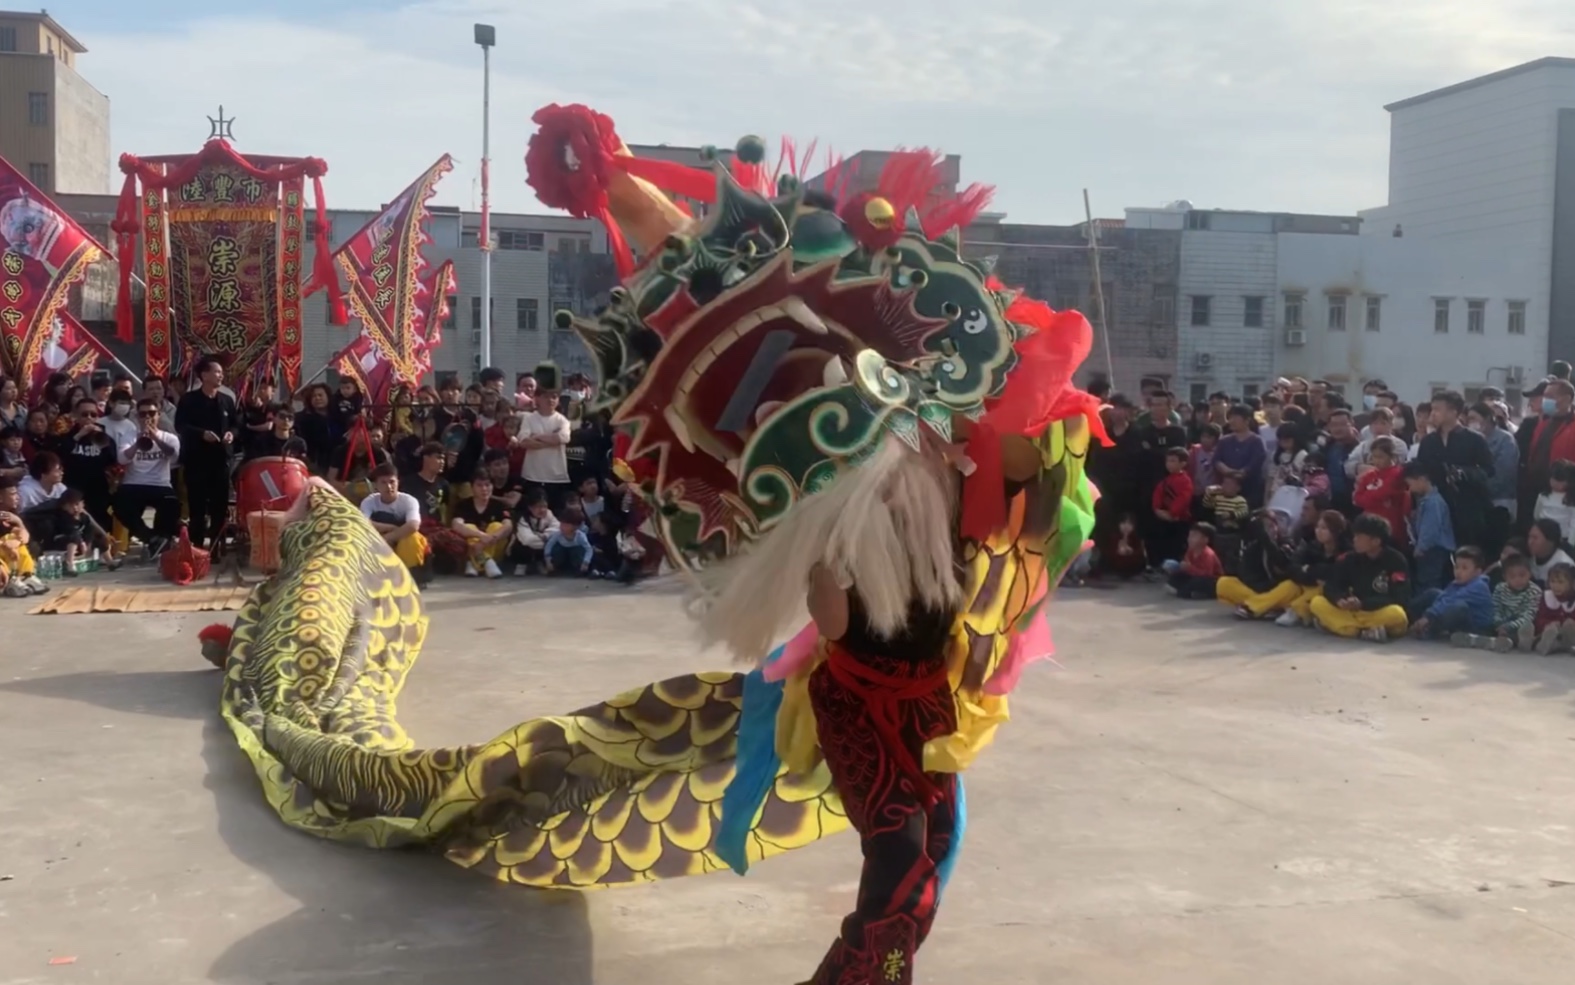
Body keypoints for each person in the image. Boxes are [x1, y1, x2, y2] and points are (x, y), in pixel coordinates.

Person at [1308, 514, 1412, 642]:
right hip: (1352, 612)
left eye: (1359, 537)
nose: (1354, 540)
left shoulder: (1396, 560)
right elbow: (1332, 585)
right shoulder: (1349, 558)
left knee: (1397, 615)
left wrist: (1363, 603)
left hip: (1376, 612)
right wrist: (1339, 599)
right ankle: (1363, 631)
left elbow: (1400, 597)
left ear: (1376, 541)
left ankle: (1343, 627)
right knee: (1317, 602)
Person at [1414, 390, 1494, 552]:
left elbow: (1488, 471)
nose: (1433, 414)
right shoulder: (1428, 442)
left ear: (1453, 412)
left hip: (1467, 509)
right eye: (1432, 409)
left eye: (1438, 409)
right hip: (1436, 510)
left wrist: (1464, 473)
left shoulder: (1474, 439)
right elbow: (1421, 470)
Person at [175, 356, 239, 550]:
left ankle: (217, 546)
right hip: (197, 461)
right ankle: (196, 546)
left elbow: (236, 425)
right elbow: (181, 425)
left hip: (220, 462)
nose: (221, 376)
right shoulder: (189, 400)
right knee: (197, 507)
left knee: (219, 507)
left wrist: (231, 434)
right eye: (216, 372)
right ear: (204, 375)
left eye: (221, 372)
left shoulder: (226, 400)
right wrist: (201, 434)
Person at [114, 397, 181, 557]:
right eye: (143, 414)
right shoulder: (129, 435)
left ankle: (161, 538)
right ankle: (151, 538)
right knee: (120, 505)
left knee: (172, 506)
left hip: (160, 484)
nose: (147, 417)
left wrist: (154, 437)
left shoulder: (169, 437)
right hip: (134, 484)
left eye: (151, 413)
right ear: (137, 417)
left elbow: (174, 456)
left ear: (159, 415)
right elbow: (122, 459)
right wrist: (138, 442)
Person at [1216, 510, 1298, 620]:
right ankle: (1267, 607)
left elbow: (1282, 562)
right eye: (1264, 528)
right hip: (1262, 591)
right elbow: (1246, 576)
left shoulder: (1286, 543)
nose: (1268, 531)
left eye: (1270, 526)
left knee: (1291, 586)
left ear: (1277, 526)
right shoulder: (1253, 547)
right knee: (1224, 583)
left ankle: (1251, 607)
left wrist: (1266, 539)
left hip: (1279, 591)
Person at [52, 397, 118, 531]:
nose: (89, 418)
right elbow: (60, 455)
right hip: (74, 488)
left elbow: (112, 460)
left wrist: (103, 442)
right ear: (76, 416)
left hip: (97, 489)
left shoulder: (104, 437)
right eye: (84, 414)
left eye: (93, 415)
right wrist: (78, 436)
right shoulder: (67, 436)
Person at [360, 463, 430, 587]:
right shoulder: (369, 501)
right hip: (383, 537)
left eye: (392, 482)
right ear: (376, 485)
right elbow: (363, 523)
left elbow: (413, 525)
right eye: (383, 482)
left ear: (398, 482)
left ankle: (410, 575)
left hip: (400, 540)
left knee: (412, 538)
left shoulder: (409, 501)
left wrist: (387, 538)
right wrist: (389, 528)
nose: (389, 486)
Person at [1454, 554, 1540, 652]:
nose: (1518, 580)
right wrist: (1499, 623)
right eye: (1512, 576)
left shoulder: (1534, 591)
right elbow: (1496, 607)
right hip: (1500, 623)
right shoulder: (1500, 588)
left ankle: (1517, 642)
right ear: (1505, 577)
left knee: (1525, 629)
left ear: (1530, 574)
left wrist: (1509, 626)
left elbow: (1529, 615)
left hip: (1518, 625)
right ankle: (1476, 639)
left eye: (1522, 575)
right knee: (1485, 625)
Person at [1406, 545, 1494, 641]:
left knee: (1458, 606)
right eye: (1456, 567)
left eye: (1464, 568)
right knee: (1434, 593)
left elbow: (1451, 600)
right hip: (1458, 620)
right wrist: (1426, 616)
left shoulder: (1479, 586)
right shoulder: (1457, 583)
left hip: (1477, 628)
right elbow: (1444, 597)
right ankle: (1406, 618)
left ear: (1477, 572)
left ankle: (1430, 630)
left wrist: (1428, 617)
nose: (1458, 572)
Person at [514, 383, 573, 513]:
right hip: (532, 476)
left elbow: (563, 438)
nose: (550, 400)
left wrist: (537, 436)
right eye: (546, 396)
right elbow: (523, 441)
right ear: (537, 398)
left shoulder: (562, 420)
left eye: (554, 397)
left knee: (555, 514)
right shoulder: (529, 418)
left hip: (556, 477)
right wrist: (551, 441)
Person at [1405, 460, 1456, 591]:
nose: (1410, 489)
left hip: (1433, 550)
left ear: (1422, 479)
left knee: (1428, 583)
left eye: (1410, 484)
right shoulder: (1425, 502)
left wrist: (1421, 547)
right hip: (1432, 550)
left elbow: (1430, 528)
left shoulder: (1433, 502)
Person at [45, 489, 121, 574]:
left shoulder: (84, 517)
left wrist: (88, 544)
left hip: (81, 544)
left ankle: (110, 561)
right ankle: (69, 564)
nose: (75, 508)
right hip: (63, 542)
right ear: (64, 507)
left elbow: (89, 531)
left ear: (83, 504)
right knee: (73, 538)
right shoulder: (63, 518)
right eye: (71, 505)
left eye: (77, 504)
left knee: (100, 538)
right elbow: (71, 531)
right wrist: (82, 543)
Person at [450, 473, 510, 578]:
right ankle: (486, 562)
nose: (484, 489)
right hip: (471, 546)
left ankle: (474, 563)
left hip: (494, 548)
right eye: (479, 485)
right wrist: (480, 535)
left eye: (487, 485)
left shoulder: (499, 505)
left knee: (496, 526)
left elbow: (508, 525)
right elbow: (456, 525)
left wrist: (492, 537)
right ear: (472, 487)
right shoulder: (463, 505)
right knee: (468, 527)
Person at [0, 476, 45, 597]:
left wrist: (18, 522)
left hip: (9, 552)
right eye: (13, 494)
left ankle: (26, 576)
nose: (17, 497)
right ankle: (11, 580)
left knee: (26, 544)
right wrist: (8, 543)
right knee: (10, 539)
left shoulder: (10, 515)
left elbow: (25, 536)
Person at [1146, 447, 1192, 565]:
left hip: (1179, 519)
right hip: (1163, 517)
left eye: (1173, 461)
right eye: (1168, 461)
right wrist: (1157, 509)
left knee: (1176, 546)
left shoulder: (1185, 481)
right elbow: (1158, 494)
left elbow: (1183, 498)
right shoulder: (1165, 480)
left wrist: (1172, 513)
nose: (1169, 464)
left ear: (1183, 463)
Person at [1214, 404, 1267, 505]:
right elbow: (1217, 460)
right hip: (1226, 490)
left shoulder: (1256, 441)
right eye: (1230, 418)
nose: (1231, 421)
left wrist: (1240, 474)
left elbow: (1255, 463)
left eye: (1235, 418)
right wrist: (1228, 472)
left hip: (1250, 490)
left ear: (1247, 420)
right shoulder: (1224, 440)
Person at [1163, 522, 1222, 599]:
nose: (1190, 539)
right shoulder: (1190, 551)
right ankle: (1187, 591)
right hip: (1194, 576)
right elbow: (1187, 567)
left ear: (1205, 540)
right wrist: (1178, 568)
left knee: (1198, 582)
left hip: (1211, 581)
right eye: (1189, 536)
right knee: (1176, 577)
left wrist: (1189, 568)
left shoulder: (1208, 554)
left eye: (1194, 536)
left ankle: (1195, 593)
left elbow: (1207, 574)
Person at [1527, 561, 1575, 655]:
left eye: (1560, 582)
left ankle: (1566, 645)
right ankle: (1543, 645)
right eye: (1552, 581)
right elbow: (1539, 618)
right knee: (1547, 633)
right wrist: (1550, 624)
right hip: (1550, 631)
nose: (1556, 586)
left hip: (1570, 634)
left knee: (1570, 625)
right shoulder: (1546, 597)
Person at [509, 488, 560, 575]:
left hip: (541, 543)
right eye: (538, 507)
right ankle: (522, 564)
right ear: (530, 507)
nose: (542, 510)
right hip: (526, 546)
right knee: (521, 546)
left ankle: (540, 562)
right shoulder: (523, 518)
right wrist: (545, 541)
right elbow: (527, 539)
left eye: (544, 506)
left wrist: (545, 536)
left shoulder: (549, 514)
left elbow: (557, 528)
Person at [292, 383, 335, 474]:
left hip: (334, 464)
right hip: (312, 464)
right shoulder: (301, 419)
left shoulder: (337, 417)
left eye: (320, 395)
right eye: (314, 396)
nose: (317, 398)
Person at [1534, 459, 1575, 546]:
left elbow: (1573, 524)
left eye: (1560, 480)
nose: (1555, 482)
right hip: (1543, 536)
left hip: (1562, 539)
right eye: (1553, 478)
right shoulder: (1543, 496)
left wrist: (1570, 543)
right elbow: (1537, 515)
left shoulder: (1571, 501)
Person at [544, 507, 594, 576]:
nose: (562, 527)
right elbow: (549, 546)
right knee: (557, 549)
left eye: (566, 525)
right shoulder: (558, 534)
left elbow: (589, 549)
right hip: (562, 554)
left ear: (575, 526)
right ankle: (555, 568)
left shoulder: (580, 536)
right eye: (561, 524)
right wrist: (548, 560)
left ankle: (579, 569)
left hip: (574, 554)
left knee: (579, 550)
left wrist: (586, 562)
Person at [1526, 518, 1574, 584]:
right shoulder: (1527, 557)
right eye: (1529, 537)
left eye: (1535, 538)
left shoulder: (1565, 564)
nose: (1530, 542)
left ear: (1550, 541)